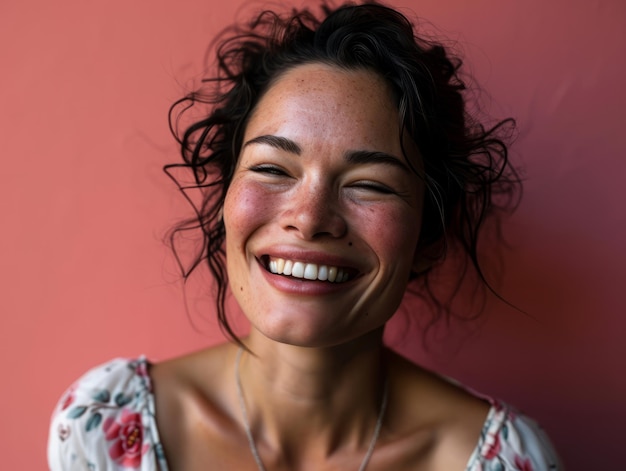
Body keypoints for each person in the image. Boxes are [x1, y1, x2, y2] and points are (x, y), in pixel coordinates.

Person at [48, 2, 562, 470]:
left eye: (369, 185)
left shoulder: (503, 460)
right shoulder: (107, 430)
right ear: (226, 199)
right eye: (273, 169)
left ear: (428, 236)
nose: (310, 218)